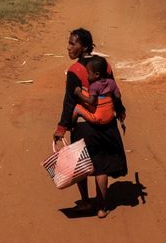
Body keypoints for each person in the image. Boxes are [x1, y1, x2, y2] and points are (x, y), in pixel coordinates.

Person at [54, 28, 128, 218]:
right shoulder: (105, 65)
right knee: (101, 166)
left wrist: (62, 128)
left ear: (84, 47)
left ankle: (86, 202)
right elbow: (114, 91)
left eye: (73, 44)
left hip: (84, 125)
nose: (68, 47)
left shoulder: (74, 71)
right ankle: (102, 207)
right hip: (107, 124)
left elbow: (70, 102)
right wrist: (119, 111)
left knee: (83, 165)